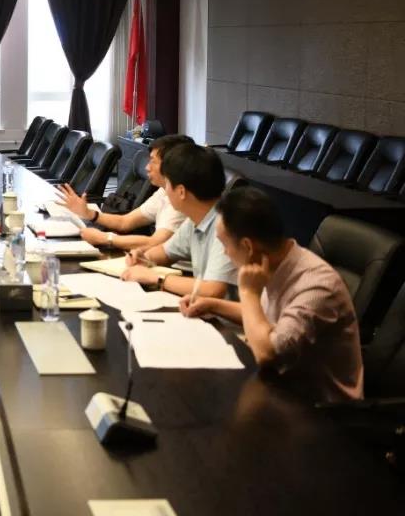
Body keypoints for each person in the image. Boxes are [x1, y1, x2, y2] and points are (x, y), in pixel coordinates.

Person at [180, 186, 362, 402]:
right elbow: (263, 316)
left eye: (224, 245)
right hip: (278, 387)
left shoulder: (318, 286)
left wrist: (248, 292)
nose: (225, 253)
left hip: (317, 408)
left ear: (248, 246)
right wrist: (212, 305)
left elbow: (267, 353)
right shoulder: (281, 261)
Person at [121, 143, 238, 298]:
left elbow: (212, 290)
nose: (165, 191)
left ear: (181, 191)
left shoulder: (228, 225)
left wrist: (156, 278)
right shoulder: (195, 219)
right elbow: (165, 252)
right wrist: (144, 258)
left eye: (167, 184)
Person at [58, 134, 193, 250]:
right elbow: (125, 222)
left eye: (153, 162)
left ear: (171, 163)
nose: (147, 167)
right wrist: (89, 213)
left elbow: (155, 244)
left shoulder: (181, 200)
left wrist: (105, 238)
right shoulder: (164, 192)